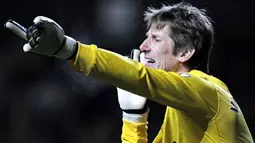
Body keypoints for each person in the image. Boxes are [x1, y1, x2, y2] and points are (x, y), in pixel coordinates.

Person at [5, 2, 253, 143]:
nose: (143, 46)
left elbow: (138, 76)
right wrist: (133, 117)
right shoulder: (181, 113)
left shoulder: (208, 91)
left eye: (155, 39)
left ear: (185, 52)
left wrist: (68, 49)